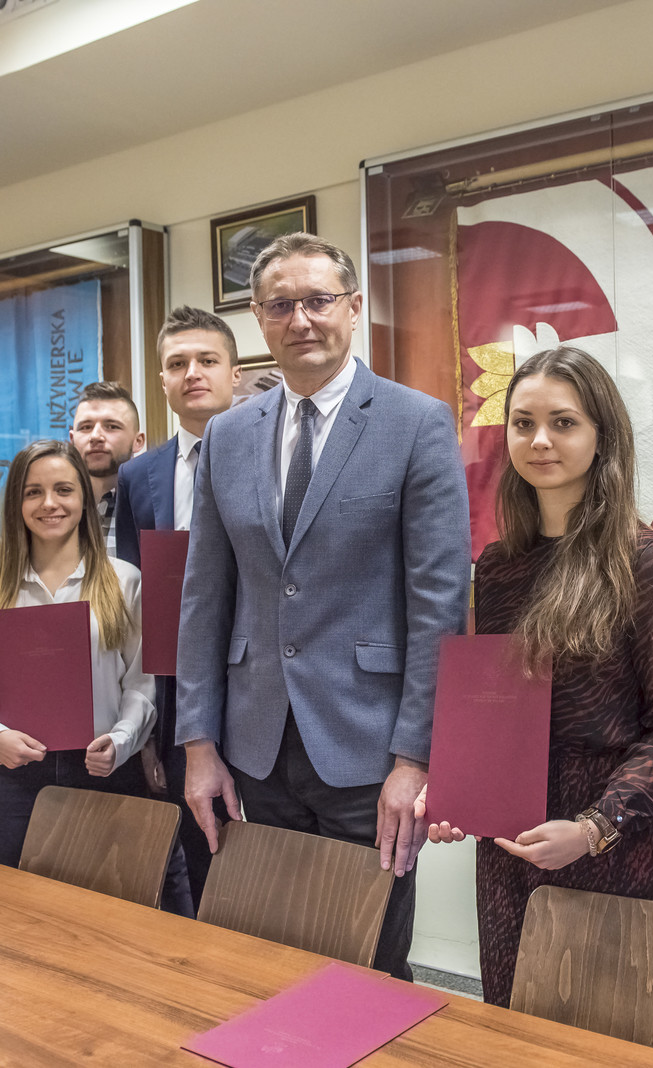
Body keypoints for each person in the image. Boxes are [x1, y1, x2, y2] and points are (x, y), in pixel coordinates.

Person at [174, 233, 471, 980]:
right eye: (281, 305)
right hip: (255, 747)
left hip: (369, 749)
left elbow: (439, 605)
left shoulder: (416, 422)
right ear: (258, 318)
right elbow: (204, 598)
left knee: (370, 963)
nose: (301, 319)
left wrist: (416, 759)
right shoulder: (228, 435)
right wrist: (199, 746)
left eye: (318, 300)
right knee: (274, 954)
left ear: (354, 307)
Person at [418, 345, 653, 1008]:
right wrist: (456, 792)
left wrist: (595, 827)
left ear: (602, 436)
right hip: (509, 840)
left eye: (563, 422)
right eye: (523, 423)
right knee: (513, 1015)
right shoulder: (497, 567)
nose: (540, 440)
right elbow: (493, 712)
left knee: (611, 1025)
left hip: (609, 840)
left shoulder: (646, 561)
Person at [0, 439, 155, 867]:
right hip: (11, 777)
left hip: (104, 770)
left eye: (63, 490)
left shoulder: (125, 582)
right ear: (16, 503)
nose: (49, 504)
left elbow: (141, 682)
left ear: (84, 498)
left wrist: (122, 740)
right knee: (15, 902)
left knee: (110, 899)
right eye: (33, 492)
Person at [114, 305, 242, 916]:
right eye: (177, 363)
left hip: (263, 687)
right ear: (162, 381)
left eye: (207, 360)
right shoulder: (137, 476)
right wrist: (145, 730)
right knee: (201, 857)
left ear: (234, 373)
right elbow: (132, 602)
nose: (192, 373)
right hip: (176, 699)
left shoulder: (278, 455)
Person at [69, 381, 145, 553]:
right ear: (72, 439)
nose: (96, 436)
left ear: (138, 441)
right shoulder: (56, 506)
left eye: (111, 427)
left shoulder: (153, 506)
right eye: (86, 427)